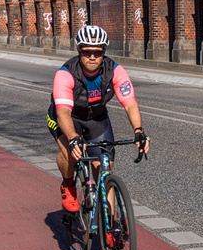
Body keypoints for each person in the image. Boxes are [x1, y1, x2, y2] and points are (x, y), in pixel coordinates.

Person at [48, 25, 149, 214]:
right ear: (79, 51)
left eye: (98, 52)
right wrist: (72, 137)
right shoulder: (65, 74)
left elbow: (130, 103)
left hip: (97, 118)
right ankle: (68, 183)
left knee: (104, 170)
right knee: (71, 151)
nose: (92, 56)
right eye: (87, 52)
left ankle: (109, 228)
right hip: (69, 118)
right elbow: (63, 113)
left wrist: (138, 131)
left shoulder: (115, 71)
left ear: (104, 52)